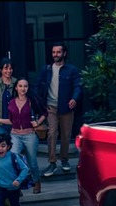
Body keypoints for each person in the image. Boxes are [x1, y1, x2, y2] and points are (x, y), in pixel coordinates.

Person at [35, 42, 81, 177]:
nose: (55, 55)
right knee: (52, 133)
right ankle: (52, 162)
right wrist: (40, 105)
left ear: (64, 53)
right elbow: (37, 86)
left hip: (66, 107)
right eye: (53, 52)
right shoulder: (46, 69)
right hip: (50, 107)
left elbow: (78, 86)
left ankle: (65, 159)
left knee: (66, 135)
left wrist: (74, 98)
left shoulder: (71, 69)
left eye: (58, 52)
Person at [0, 78, 48, 193]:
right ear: (16, 88)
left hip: (29, 134)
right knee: (13, 160)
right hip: (15, 135)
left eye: (25, 86)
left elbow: (45, 113)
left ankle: (36, 181)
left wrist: (38, 122)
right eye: (20, 86)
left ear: (28, 88)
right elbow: (11, 120)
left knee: (32, 162)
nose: (23, 88)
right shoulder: (11, 102)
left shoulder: (32, 100)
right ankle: (16, 185)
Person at [0, 133, 28, 206]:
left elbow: (25, 169)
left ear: (8, 146)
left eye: (3, 146)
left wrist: (18, 180)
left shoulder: (13, 157)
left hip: (13, 187)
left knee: (14, 205)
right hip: (0, 187)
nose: (0, 149)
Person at [0, 58, 17, 136]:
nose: (9, 71)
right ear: (0, 69)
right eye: (6, 68)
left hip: (16, 124)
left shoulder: (17, 83)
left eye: (10, 68)